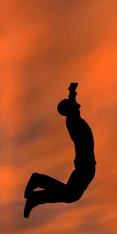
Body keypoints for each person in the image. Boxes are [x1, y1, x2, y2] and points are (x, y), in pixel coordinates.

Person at [23, 82, 96, 218]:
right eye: (73, 106)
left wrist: (72, 92)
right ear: (69, 110)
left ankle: (36, 192)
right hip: (85, 166)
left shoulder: (75, 119)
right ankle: (37, 185)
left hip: (85, 166)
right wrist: (72, 93)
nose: (78, 106)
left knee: (69, 194)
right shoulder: (73, 121)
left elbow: (74, 107)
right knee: (70, 195)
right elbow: (73, 109)